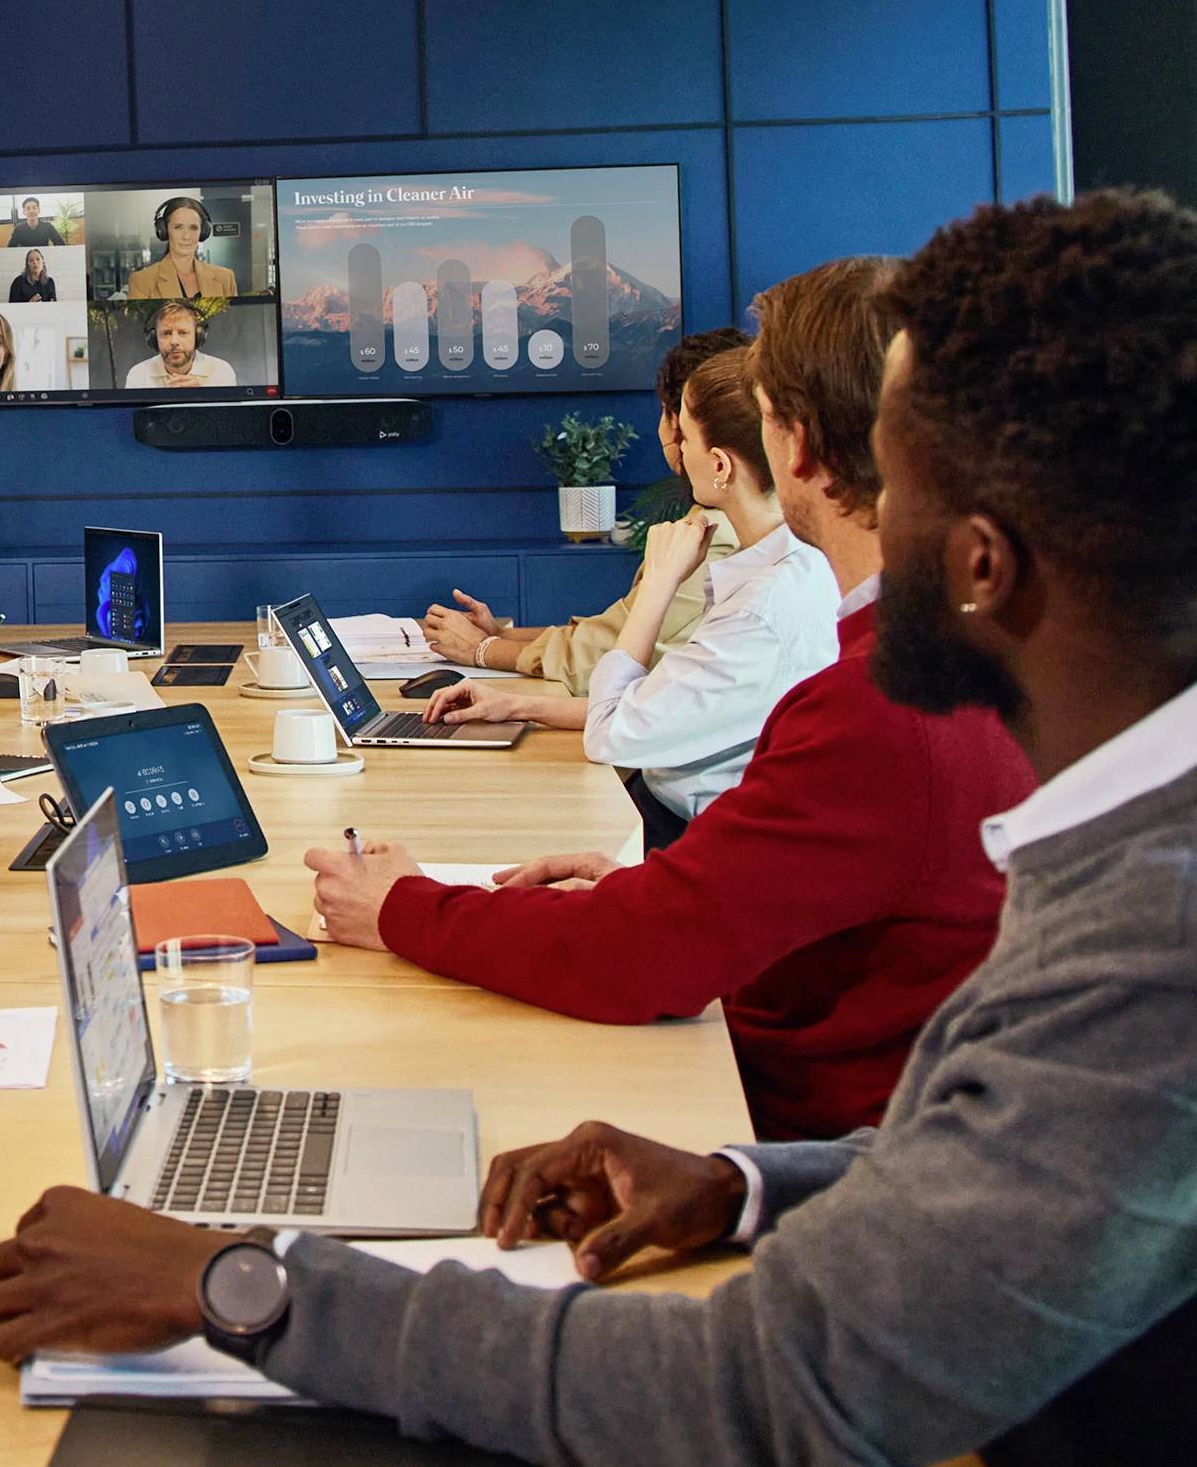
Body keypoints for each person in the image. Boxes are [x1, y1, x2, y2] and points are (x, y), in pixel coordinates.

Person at [0, 190, 1197, 1467]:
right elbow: (1005, 1148)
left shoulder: (1155, 950)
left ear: (978, 566)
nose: (840, 521)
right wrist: (743, 1184)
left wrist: (239, 1280)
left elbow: (760, 1401)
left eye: (892, 482)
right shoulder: (1135, 857)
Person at [310, 256, 1034, 1142]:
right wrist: (665, 892)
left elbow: (638, 960)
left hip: (797, 1145)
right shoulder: (970, 656)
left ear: (794, 448)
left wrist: (398, 906)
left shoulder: (880, 704)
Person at [581, 347, 838, 848]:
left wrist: (659, 583)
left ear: (719, 464)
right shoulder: (789, 566)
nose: (676, 450)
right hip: (673, 817)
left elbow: (609, 733)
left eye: (683, 435)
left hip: (689, 837)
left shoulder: (763, 609)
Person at [422, 329, 746, 726]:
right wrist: (503, 638)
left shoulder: (716, 537)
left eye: (688, 436)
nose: (677, 446)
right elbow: (617, 631)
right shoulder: (722, 530)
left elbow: (604, 662)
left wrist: (483, 650)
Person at [126, 197, 238, 300]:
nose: (186, 236)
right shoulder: (142, 281)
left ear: (203, 232)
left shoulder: (225, 278)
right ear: (164, 231)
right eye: (178, 227)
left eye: (193, 228)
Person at [122, 301, 237, 390]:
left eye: (183, 333)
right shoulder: (139, 375)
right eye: (166, 333)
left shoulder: (221, 371)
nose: (174, 342)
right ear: (154, 338)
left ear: (197, 336)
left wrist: (202, 397)